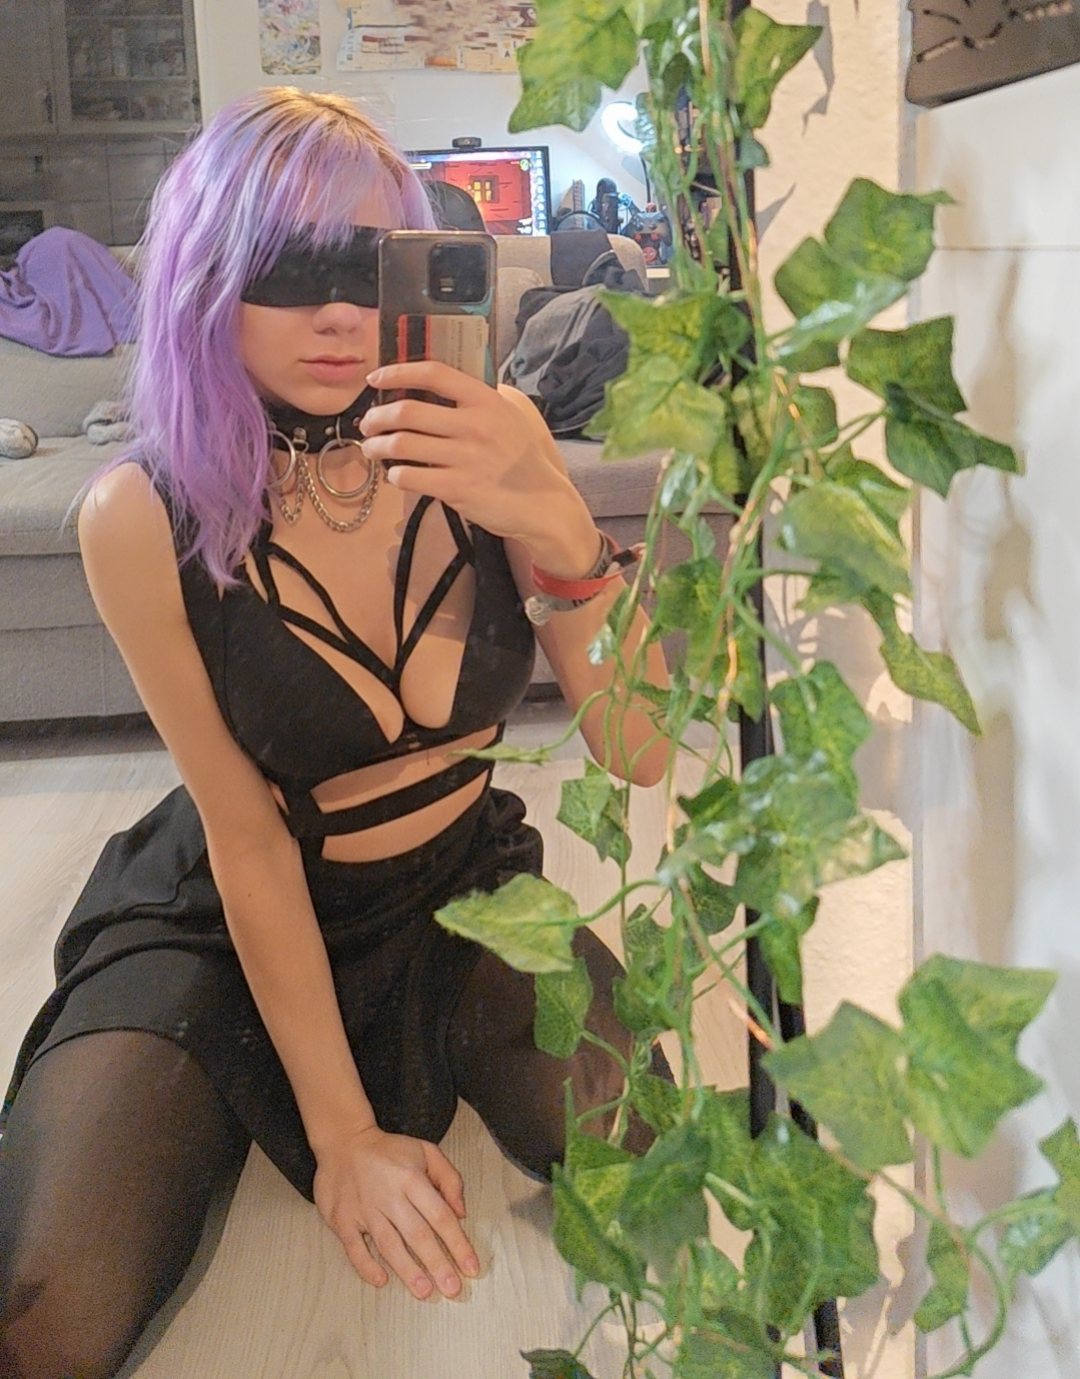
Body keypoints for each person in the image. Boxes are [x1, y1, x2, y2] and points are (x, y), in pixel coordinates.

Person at [0, 88, 668, 1379]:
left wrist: (556, 519)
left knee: (655, 1171)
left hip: (462, 889)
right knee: (46, 1313)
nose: (338, 316)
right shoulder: (140, 514)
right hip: (226, 916)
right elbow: (244, 836)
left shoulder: (486, 443)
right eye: (284, 269)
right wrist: (345, 1137)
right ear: (205, 284)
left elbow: (639, 750)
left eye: (370, 267)